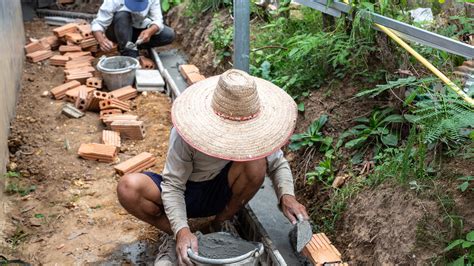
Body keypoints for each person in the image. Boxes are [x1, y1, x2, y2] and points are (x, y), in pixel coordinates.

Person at [117, 69, 309, 265]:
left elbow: (277, 163)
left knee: (256, 163)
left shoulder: (256, 131)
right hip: (186, 191)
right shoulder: (187, 130)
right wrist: (181, 230)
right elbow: (173, 186)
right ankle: (181, 236)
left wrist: (287, 196)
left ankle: (219, 224)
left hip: (221, 192)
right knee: (128, 187)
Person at [91, 0, 175, 57]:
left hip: (136, 27)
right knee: (122, 15)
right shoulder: (114, 1)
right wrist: (101, 40)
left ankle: (132, 46)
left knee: (168, 35)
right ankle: (128, 52)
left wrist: (149, 31)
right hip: (116, 30)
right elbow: (98, 23)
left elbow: (158, 20)